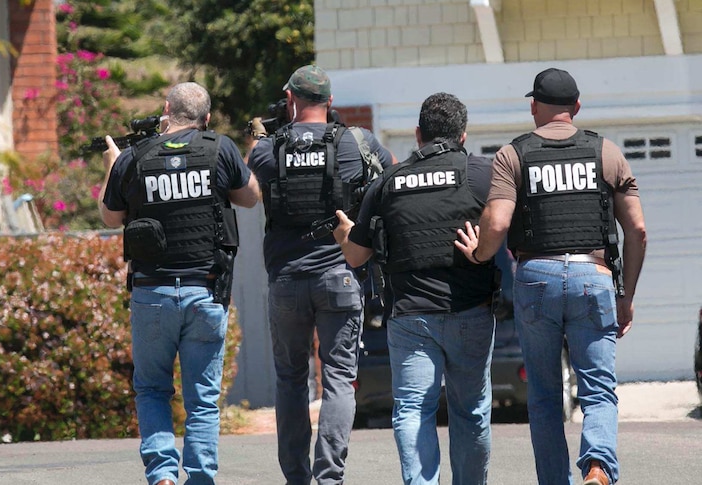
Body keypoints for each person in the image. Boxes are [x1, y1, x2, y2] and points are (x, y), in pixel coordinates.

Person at [454, 68, 647, 485]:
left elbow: (499, 221)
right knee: (598, 388)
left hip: (536, 276)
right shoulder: (606, 152)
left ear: (534, 107)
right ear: (576, 108)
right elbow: (638, 229)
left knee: (543, 396)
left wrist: (479, 253)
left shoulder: (514, 154)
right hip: (593, 275)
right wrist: (626, 295)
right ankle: (597, 466)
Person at [98, 81, 260, 485]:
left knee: (152, 389)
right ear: (205, 118)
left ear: (166, 108)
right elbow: (251, 196)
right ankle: (201, 477)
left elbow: (110, 217)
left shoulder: (133, 157)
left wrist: (111, 165)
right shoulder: (219, 148)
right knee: (202, 399)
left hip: (151, 293)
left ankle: (163, 477)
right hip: (204, 290)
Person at [333, 92, 497, 485]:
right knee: (471, 410)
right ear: (463, 134)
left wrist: (342, 234)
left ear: (418, 134)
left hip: (410, 317)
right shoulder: (482, 173)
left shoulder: (388, 181)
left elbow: (355, 257)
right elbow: (506, 224)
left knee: (411, 410)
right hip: (470, 310)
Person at [246, 64, 396, 485]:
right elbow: (392, 176)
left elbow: (246, 183)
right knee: (339, 378)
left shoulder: (267, 148)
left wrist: (263, 133)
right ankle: (329, 477)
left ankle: (296, 477)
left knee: (291, 380)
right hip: (340, 275)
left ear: (291, 99)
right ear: (330, 102)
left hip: (287, 280)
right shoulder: (355, 142)